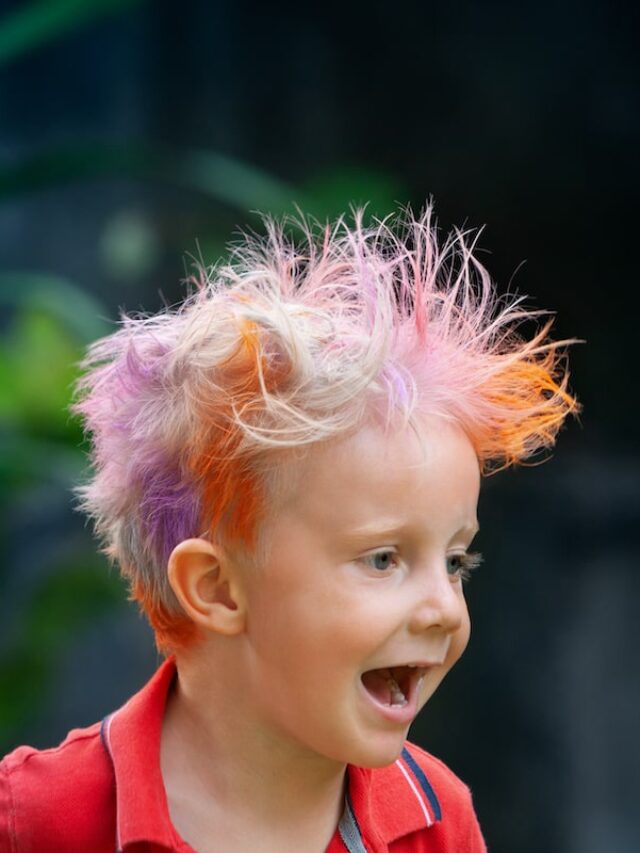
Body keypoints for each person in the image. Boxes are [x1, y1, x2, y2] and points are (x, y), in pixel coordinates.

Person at [0, 205, 579, 852]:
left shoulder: (436, 822)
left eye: (456, 562)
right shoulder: (35, 819)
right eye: (384, 558)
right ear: (217, 588)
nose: (445, 607)